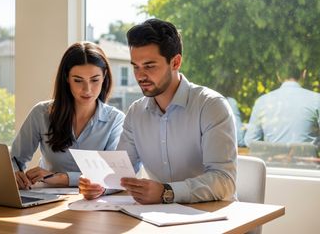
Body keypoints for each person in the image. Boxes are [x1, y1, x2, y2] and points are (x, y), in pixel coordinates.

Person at [79, 19, 237, 204]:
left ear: (175, 62)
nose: (140, 76)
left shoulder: (211, 106)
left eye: (149, 66)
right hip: (159, 217)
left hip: (215, 218)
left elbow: (224, 181)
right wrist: (100, 186)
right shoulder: (136, 113)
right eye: (135, 66)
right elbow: (121, 175)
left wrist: (167, 192)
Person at [11, 41, 125, 190]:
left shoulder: (116, 120)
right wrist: (15, 173)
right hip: (45, 199)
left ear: (104, 77)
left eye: (95, 80)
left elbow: (113, 175)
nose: (87, 90)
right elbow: (15, 159)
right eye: (78, 80)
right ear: (66, 78)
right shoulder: (41, 113)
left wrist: (61, 178)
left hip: (95, 203)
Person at [244, 66, 320, 147]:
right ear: (304, 74)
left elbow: (250, 141)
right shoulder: (317, 100)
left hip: (271, 159)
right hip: (307, 159)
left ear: (278, 76)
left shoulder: (262, 101)